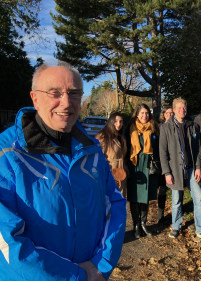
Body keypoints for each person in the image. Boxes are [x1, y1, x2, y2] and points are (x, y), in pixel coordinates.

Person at [0, 63, 127, 280]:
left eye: (74, 93)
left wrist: (100, 266)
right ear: (35, 98)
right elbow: (7, 243)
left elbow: (114, 204)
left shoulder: (92, 149)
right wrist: (76, 276)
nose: (67, 103)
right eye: (55, 93)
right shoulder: (7, 154)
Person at [159, 97, 201, 243]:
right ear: (174, 110)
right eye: (179, 108)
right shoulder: (165, 128)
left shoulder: (193, 126)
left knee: (199, 199)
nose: (182, 110)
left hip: (191, 169)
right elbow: (162, 153)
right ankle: (176, 226)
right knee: (176, 201)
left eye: (184, 108)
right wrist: (167, 173)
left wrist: (198, 167)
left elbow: (199, 150)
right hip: (175, 170)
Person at [125, 103, 160, 239]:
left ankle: (144, 224)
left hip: (149, 167)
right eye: (142, 113)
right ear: (137, 114)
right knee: (135, 196)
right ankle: (136, 225)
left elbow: (158, 147)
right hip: (135, 166)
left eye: (146, 113)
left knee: (145, 196)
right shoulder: (130, 129)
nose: (144, 116)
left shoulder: (154, 127)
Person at [95, 112, 129, 198]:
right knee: (108, 202)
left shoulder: (121, 137)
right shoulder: (102, 137)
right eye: (116, 121)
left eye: (121, 121)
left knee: (120, 202)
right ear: (110, 122)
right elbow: (97, 158)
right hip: (108, 175)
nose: (118, 124)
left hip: (121, 175)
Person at [157, 106, 174, 224]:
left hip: (174, 163)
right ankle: (160, 215)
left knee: (177, 189)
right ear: (163, 115)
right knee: (162, 189)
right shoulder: (159, 128)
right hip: (162, 163)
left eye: (172, 113)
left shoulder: (177, 127)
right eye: (168, 113)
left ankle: (178, 212)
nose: (170, 115)